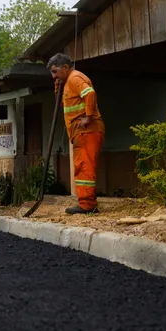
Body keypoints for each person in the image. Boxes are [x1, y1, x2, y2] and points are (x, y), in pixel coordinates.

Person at [47, 53, 105, 214]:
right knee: (81, 167)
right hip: (81, 133)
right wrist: (57, 86)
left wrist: (88, 117)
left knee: (84, 167)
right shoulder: (67, 82)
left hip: (87, 131)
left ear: (65, 68)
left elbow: (90, 94)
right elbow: (62, 104)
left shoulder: (74, 78)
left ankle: (87, 205)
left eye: (54, 71)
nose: (53, 76)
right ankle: (86, 202)